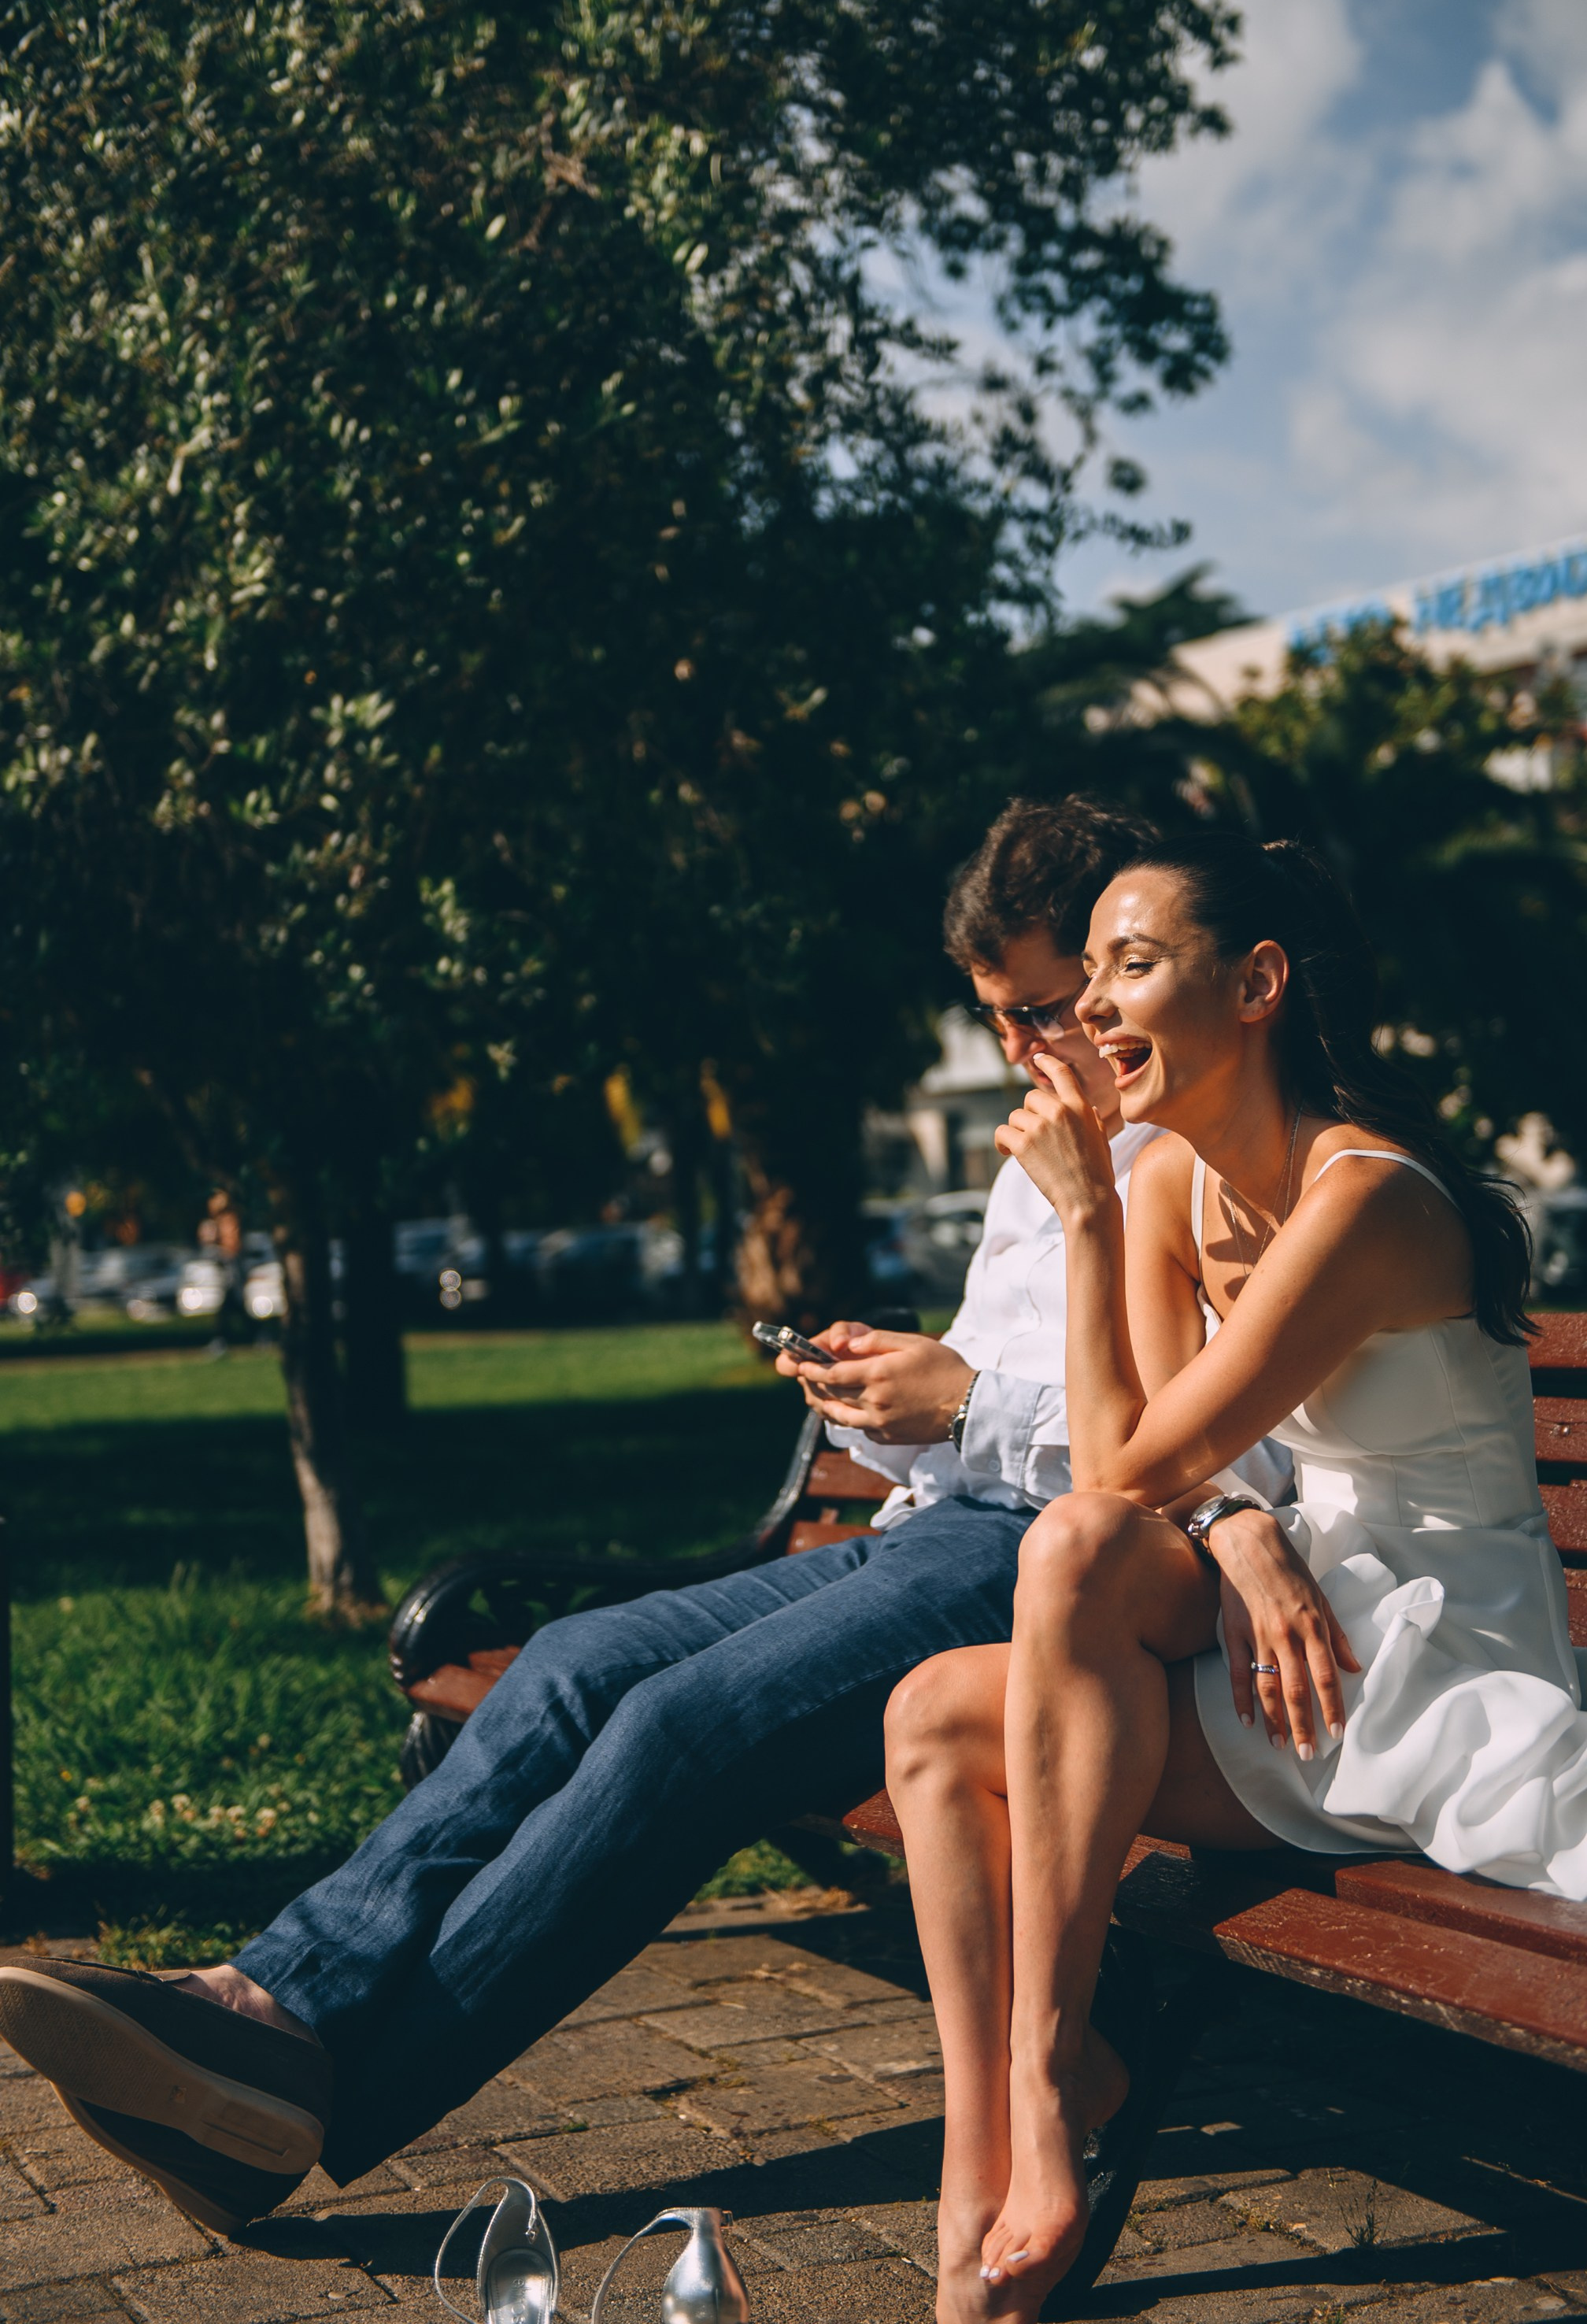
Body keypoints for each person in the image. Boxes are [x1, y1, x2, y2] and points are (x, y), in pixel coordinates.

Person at [0, 794, 1286, 2241]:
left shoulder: (1204, 1141)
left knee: (684, 1733)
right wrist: (895, 1395)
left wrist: (969, 1403)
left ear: (1148, 955)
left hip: (1063, 1575)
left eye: (1053, 1003)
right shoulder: (1039, 1146)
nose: (1032, 1047)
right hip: (938, 1526)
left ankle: (294, 2108)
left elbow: (1192, 1434)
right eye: (999, 1017)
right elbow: (998, 1382)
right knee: (566, 1665)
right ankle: (264, 2000)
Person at [881, 828, 1585, 2324]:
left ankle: (1046, 2080)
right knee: (935, 1717)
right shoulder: (1173, 1194)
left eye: (1131, 969)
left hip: (1439, 1675)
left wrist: (1083, 1217)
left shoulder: (1370, 1200)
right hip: (1309, 1664)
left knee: (1073, 1552)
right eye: (1090, 980)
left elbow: (1116, 1478)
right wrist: (1101, 1222)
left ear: (1259, 982)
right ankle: (987, 2163)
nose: (1095, 1014)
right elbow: (1118, 1470)